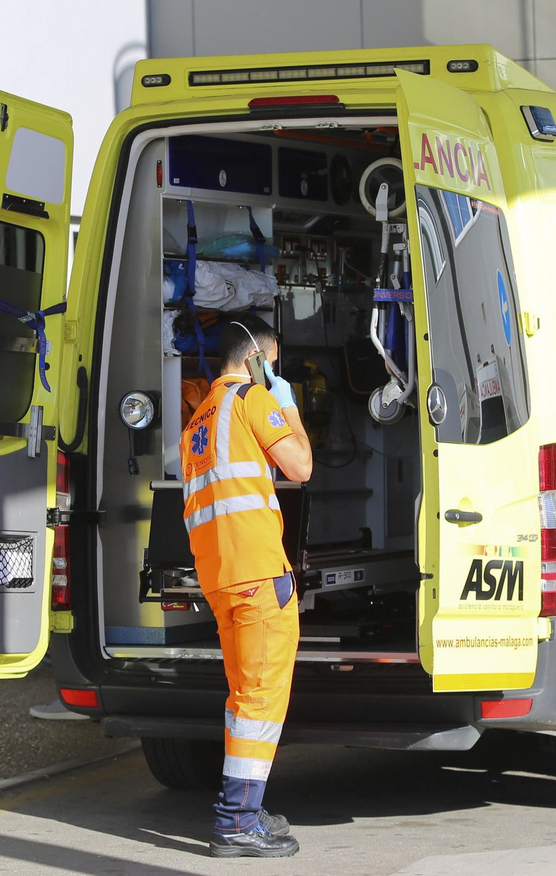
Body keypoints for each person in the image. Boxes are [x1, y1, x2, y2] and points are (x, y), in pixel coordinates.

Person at [179, 313, 312, 858]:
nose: (271, 373)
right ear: (257, 357)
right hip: (258, 575)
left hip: (221, 578)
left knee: (242, 697)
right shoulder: (253, 400)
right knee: (260, 700)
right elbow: (300, 465)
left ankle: (247, 808)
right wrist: (289, 406)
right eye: (271, 364)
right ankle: (236, 822)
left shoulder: (199, 421)